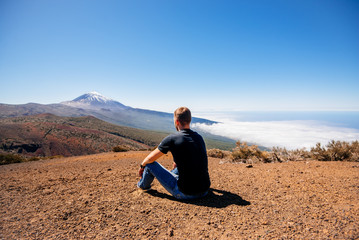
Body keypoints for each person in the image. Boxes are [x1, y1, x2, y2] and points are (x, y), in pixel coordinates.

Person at [137, 107, 211, 200]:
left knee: (150, 165)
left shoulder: (172, 138)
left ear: (177, 122)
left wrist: (142, 166)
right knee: (178, 167)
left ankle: (143, 186)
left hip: (184, 193)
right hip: (204, 191)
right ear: (189, 120)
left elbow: (150, 159)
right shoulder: (199, 137)